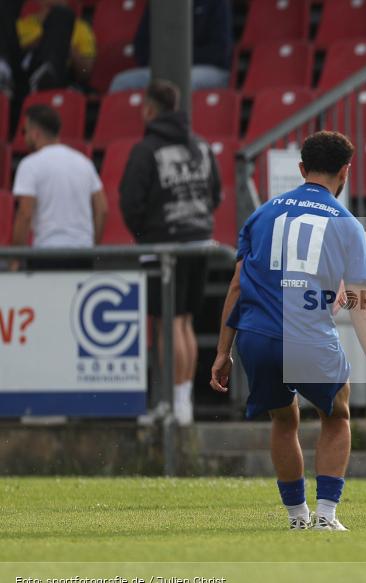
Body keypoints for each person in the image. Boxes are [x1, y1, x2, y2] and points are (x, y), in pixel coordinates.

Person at [210, 131, 366, 532]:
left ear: (301, 168)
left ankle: (297, 518)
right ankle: (325, 516)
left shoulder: (261, 215)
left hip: (256, 337)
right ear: (346, 172)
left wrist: (223, 351)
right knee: (337, 412)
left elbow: (237, 285)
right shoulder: (346, 224)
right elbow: (360, 300)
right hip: (306, 336)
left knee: (283, 418)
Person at [119, 79, 221, 426]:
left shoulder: (146, 150)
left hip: (165, 246)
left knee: (168, 322)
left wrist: (145, 235)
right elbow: (215, 194)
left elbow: (131, 202)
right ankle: (183, 401)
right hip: (200, 241)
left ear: (149, 109)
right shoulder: (202, 145)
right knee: (185, 321)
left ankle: (172, 405)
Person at [10, 103, 106, 271]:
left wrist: (16, 258)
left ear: (35, 133)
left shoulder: (30, 165)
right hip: (82, 254)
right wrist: (92, 246)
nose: (24, 138)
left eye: (24, 131)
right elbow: (102, 209)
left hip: (47, 254)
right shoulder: (84, 162)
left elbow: (25, 213)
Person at [109, 0, 232, 93]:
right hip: (164, 68)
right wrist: (162, 62)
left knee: (183, 81)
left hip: (206, 68)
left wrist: (179, 59)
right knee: (122, 82)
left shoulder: (215, 2)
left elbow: (219, 51)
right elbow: (141, 47)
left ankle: (178, 121)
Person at [17, 0, 96, 90]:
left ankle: (46, 73)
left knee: (61, 17)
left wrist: (66, 47)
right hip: (23, 76)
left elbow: (85, 72)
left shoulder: (81, 28)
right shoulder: (21, 26)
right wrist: (42, 42)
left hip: (62, 79)